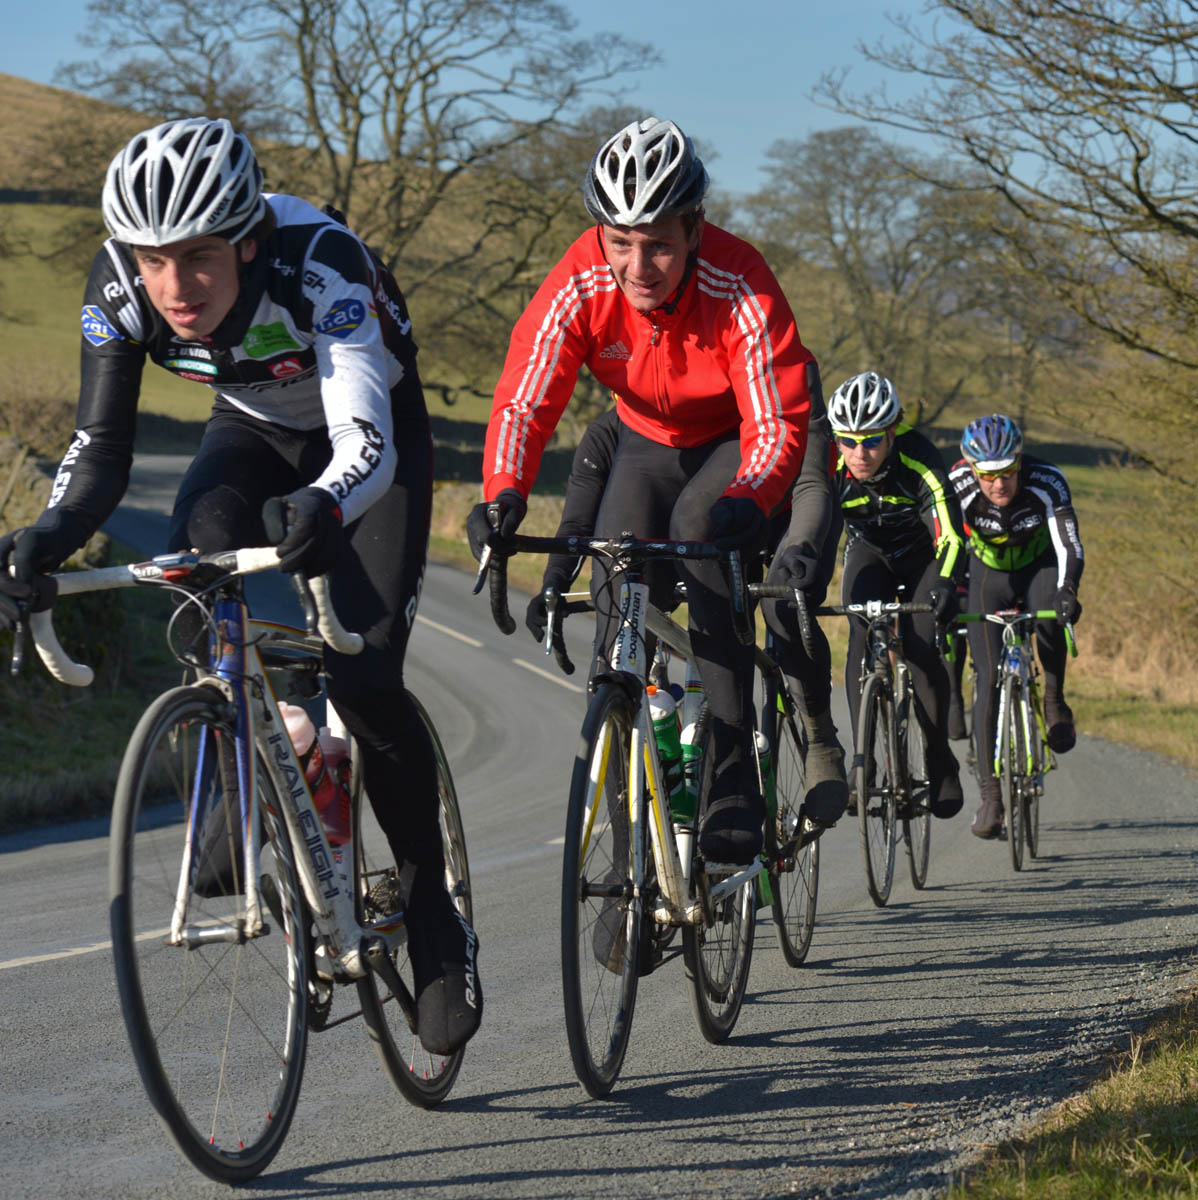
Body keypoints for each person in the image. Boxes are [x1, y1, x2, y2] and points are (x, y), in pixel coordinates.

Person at [0, 117, 481, 1055]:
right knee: (194, 562)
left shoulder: (321, 261)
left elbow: (363, 442)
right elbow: (98, 451)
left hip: (371, 439)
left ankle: (432, 923)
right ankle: (261, 744)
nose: (175, 289)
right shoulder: (118, 287)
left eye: (201, 259)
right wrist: (48, 536)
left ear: (250, 239)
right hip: (250, 429)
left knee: (370, 681)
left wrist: (327, 505)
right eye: (153, 261)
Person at [469, 116, 819, 865]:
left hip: (732, 443)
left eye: (658, 242)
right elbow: (526, 399)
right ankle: (632, 853)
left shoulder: (740, 278)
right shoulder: (582, 276)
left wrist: (751, 497)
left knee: (699, 536)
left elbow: (778, 416)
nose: (638, 265)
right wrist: (503, 494)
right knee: (616, 584)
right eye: (620, 241)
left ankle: (732, 784)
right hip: (644, 441)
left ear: (694, 228)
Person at [526, 398, 851, 825]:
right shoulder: (611, 432)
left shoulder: (766, 393)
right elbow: (578, 524)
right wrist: (554, 582)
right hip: (697, 527)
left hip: (785, 515)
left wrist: (801, 549)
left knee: (781, 609)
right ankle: (634, 848)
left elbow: (810, 485)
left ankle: (818, 736)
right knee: (619, 641)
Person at [828, 370, 967, 818]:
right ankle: (860, 764)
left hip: (922, 558)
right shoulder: (832, 466)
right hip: (870, 552)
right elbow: (811, 528)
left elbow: (950, 538)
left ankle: (940, 758)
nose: (858, 453)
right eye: (848, 441)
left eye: (870, 441)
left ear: (892, 432)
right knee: (860, 631)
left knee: (923, 644)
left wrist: (945, 582)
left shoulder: (921, 460)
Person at [949, 413, 1084, 839]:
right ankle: (991, 796)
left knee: (1049, 619)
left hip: (1039, 567)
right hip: (987, 574)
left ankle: (1055, 700)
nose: (998, 485)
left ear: (1020, 461)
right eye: (987, 475)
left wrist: (1068, 590)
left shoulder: (1047, 479)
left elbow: (1069, 543)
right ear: (971, 467)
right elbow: (942, 538)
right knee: (987, 678)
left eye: (1007, 472)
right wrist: (947, 591)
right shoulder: (958, 483)